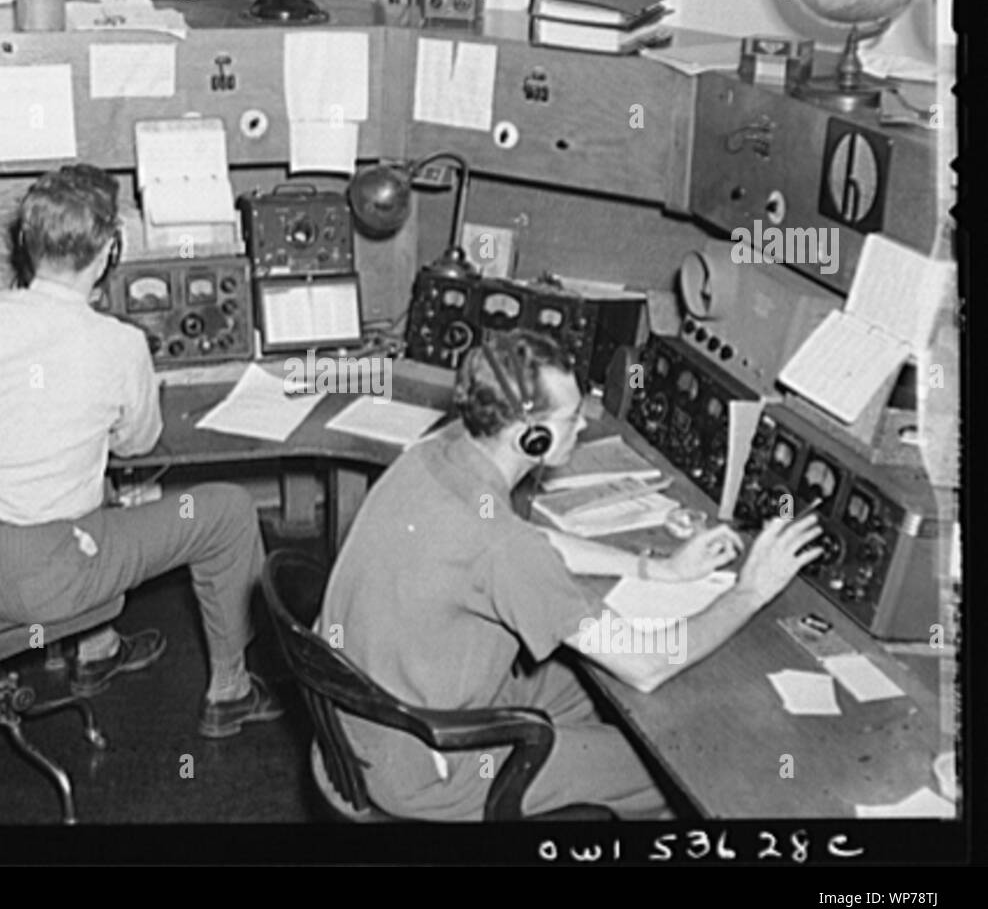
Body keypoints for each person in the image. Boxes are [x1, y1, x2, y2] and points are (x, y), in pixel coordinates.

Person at [317, 328, 823, 819]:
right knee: (682, 767)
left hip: (366, 719)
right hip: (428, 764)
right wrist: (750, 591)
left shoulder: (437, 453)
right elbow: (647, 666)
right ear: (530, 437)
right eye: (572, 417)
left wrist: (658, 569)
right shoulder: (502, 549)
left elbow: (530, 539)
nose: (582, 427)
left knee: (601, 689)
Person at [0, 163, 282, 738]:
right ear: (108, 255)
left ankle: (97, 650)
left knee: (80, 483)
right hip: (40, 582)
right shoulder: (118, 344)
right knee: (224, 511)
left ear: (26, 244)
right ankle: (231, 690)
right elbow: (140, 443)